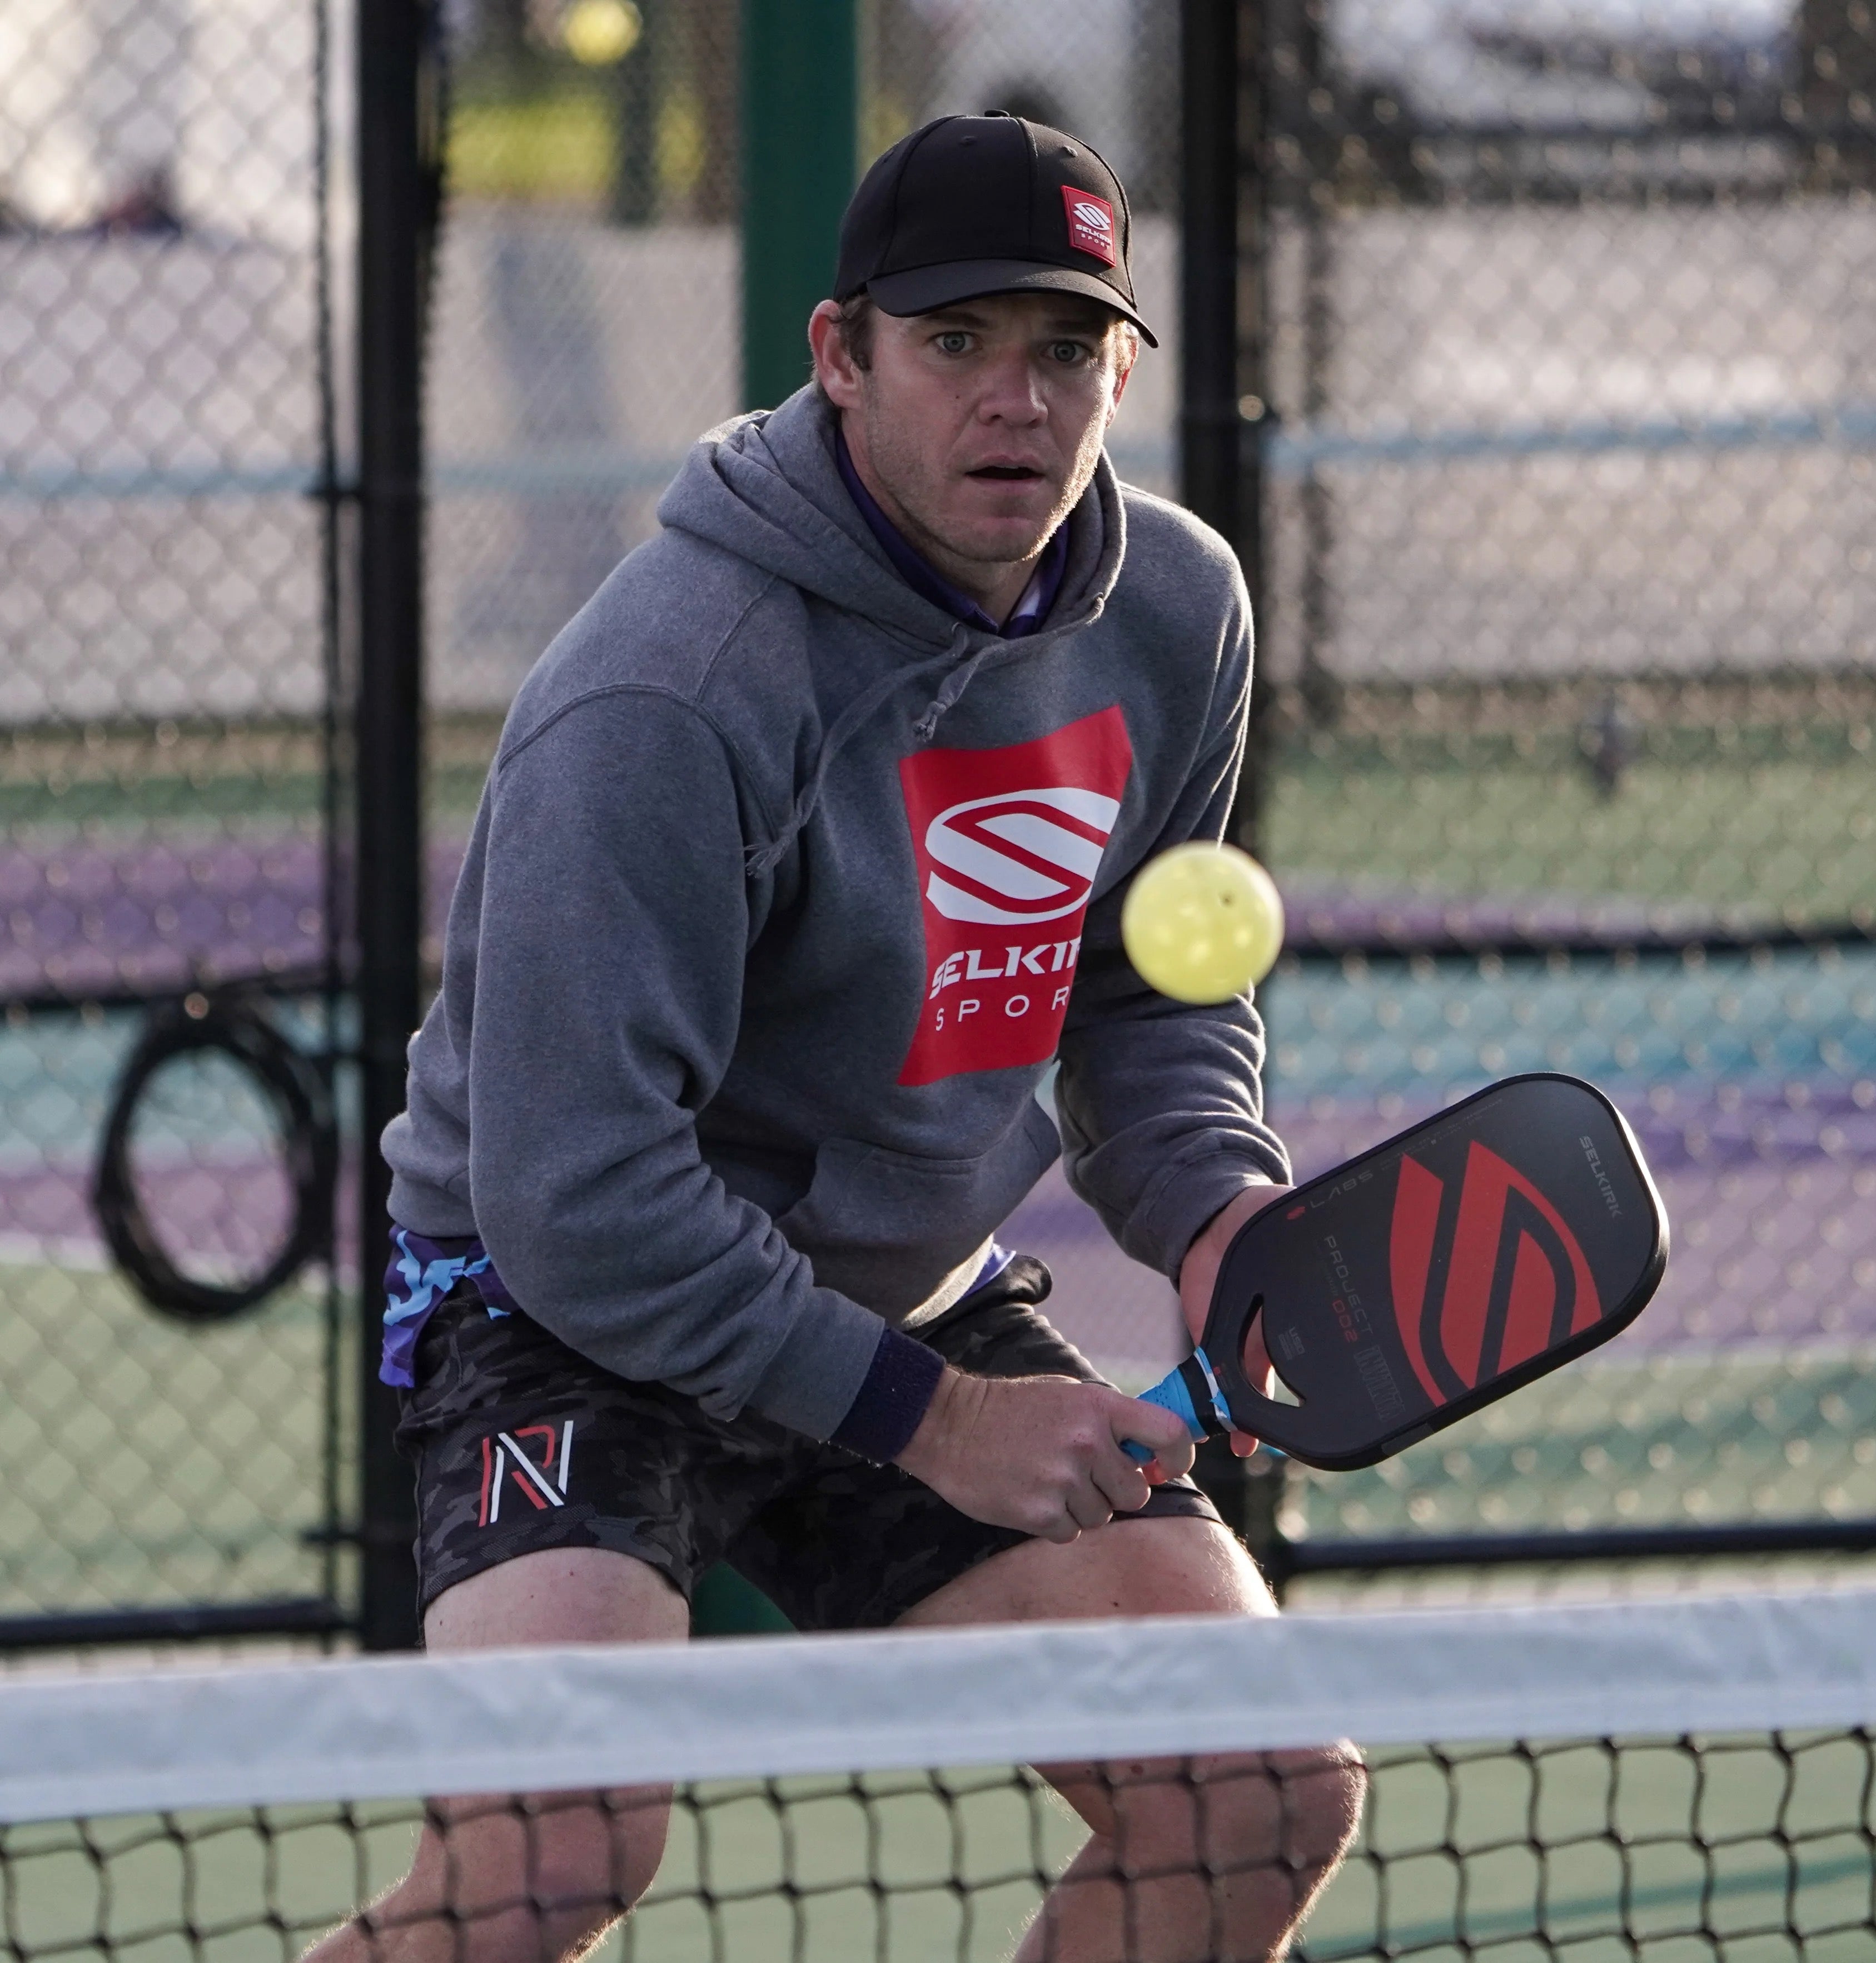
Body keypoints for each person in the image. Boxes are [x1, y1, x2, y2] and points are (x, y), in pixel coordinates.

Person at [310, 111, 1363, 1963]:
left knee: (1257, 1784)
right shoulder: (666, 694)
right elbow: (579, 1194)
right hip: (555, 1306)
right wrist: (936, 1419)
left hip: (895, 1283)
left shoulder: (1178, 613)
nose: (1014, 403)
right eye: (955, 343)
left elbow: (1136, 983)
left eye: (1062, 347)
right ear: (840, 353)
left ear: (1122, 364)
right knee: (553, 1857)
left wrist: (1210, 1211)